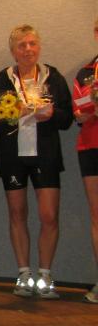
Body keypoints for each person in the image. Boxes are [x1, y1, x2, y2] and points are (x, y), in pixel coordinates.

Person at [0, 25, 72, 299]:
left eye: (32, 43)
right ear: (13, 51)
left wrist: (52, 114)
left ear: (39, 46)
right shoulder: (4, 78)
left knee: (49, 215)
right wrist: (15, 112)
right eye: (21, 45)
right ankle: (24, 274)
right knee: (17, 214)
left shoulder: (52, 76)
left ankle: (45, 275)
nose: (27, 49)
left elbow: (68, 119)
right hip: (12, 156)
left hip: (45, 155)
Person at [71, 17, 98, 303]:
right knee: (97, 216)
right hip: (91, 145)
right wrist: (87, 113)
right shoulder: (86, 72)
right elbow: (78, 112)